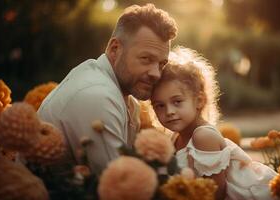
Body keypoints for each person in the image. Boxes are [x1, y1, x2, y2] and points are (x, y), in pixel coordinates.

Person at [37, 4, 178, 175]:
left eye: (162, 64)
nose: (156, 74)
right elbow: (120, 184)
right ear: (114, 49)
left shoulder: (126, 98)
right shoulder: (98, 96)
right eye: (146, 59)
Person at [150, 47, 278, 200]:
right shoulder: (174, 139)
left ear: (199, 101)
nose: (169, 111)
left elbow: (216, 193)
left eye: (177, 101)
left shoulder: (203, 136)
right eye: (160, 105)